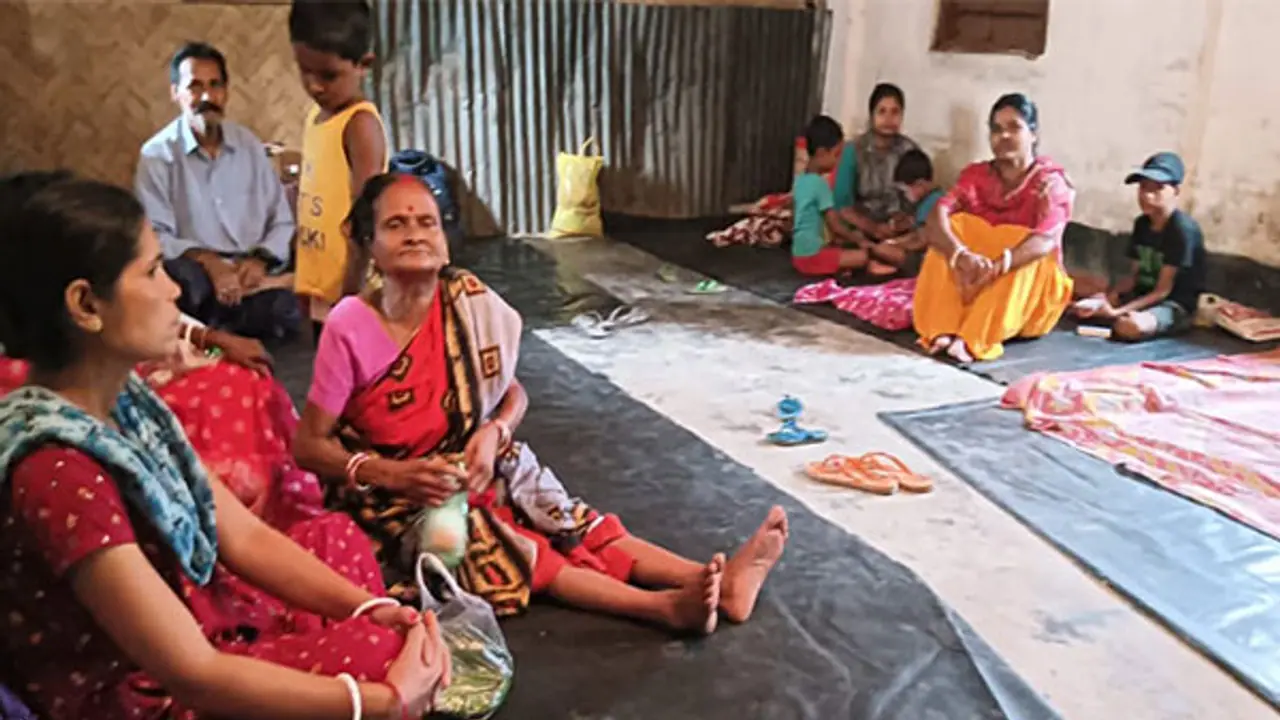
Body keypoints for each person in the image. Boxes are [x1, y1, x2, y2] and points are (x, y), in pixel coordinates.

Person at [0, 171, 450, 719]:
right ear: (86, 305)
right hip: (141, 694)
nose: (175, 290)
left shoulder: (125, 404)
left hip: (186, 623)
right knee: (378, 654)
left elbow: (243, 534)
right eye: (153, 271)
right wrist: (380, 701)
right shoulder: (59, 472)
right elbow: (194, 674)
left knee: (335, 539)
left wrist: (372, 605)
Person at [293, 173, 789, 634]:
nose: (415, 234)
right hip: (393, 498)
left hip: (478, 463)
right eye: (395, 224)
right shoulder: (351, 324)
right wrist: (392, 475)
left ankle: (713, 581)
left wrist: (494, 433)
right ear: (369, 245)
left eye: (427, 222)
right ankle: (660, 608)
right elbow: (310, 445)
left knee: (565, 516)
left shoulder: (467, 301)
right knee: (504, 543)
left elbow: (512, 393)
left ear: (445, 240)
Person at [136, 42, 301, 343]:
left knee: (285, 311)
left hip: (251, 272)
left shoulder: (249, 146)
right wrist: (212, 265)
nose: (207, 97)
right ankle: (217, 329)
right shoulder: (157, 155)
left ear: (226, 92)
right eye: (195, 86)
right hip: (198, 274)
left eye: (215, 85)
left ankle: (218, 330)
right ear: (176, 92)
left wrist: (258, 262)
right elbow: (155, 233)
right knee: (185, 285)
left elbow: (282, 219)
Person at [912, 93, 1075, 363]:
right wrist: (960, 254)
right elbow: (938, 213)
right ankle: (942, 327)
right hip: (975, 275)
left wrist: (999, 265)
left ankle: (974, 337)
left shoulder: (1051, 183)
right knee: (952, 228)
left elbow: (1045, 240)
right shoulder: (976, 175)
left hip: (1026, 293)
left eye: (1015, 127)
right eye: (997, 129)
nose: (1005, 136)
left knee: (1029, 246)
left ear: (1033, 134)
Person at [289, 0, 388, 339]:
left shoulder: (360, 125)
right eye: (305, 71)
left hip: (353, 292)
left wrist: (351, 295)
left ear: (364, 65)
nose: (315, 86)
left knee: (360, 386)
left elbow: (366, 217)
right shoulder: (316, 117)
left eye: (328, 75)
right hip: (322, 292)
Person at [1070, 152, 1206, 341]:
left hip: (1171, 305)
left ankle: (1122, 322)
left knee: (1132, 326)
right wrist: (1111, 296)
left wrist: (1116, 312)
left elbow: (1162, 291)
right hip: (1141, 297)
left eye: (1157, 189)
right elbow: (1134, 276)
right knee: (1082, 301)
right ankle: (1116, 319)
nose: (1147, 195)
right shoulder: (1142, 224)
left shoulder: (1182, 230)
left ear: (1175, 191)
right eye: (1143, 188)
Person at [832, 83, 921, 274]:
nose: (889, 119)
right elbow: (842, 206)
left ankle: (882, 258)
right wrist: (873, 228)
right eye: (882, 111)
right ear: (871, 115)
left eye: (895, 112)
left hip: (897, 231)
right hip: (862, 228)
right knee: (846, 239)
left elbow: (918, 197)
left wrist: (902, 221)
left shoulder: (909, 151)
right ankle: (876, 258)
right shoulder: (854, 151)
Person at [791, 115, 871, 276]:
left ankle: (836, 265)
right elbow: (835, 226)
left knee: (839, 246)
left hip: (797, 256)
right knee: (863, 257)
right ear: (821, 153)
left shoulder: (800, 181)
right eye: (836, 155)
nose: (837, 161)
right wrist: (858, 240)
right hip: (812, 258)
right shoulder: (821, 185)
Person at [870, 148, 945, 274]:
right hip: (932, 254)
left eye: (906, 191)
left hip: (929, 259)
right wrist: (895, 241)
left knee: (880, 250)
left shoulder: (928, 206)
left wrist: (897, 245)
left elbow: (922, 241)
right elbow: (917, 233)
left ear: (920, 184)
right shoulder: (938, 196)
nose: (905, 195)